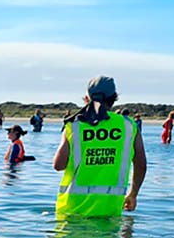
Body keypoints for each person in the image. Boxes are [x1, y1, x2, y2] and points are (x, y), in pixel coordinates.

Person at [52, 75, 146, 216]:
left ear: (87, 98)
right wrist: (133, 194)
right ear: (114, 98)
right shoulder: (129, 126)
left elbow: (58, 165)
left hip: (71, 210)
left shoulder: (74, 126)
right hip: (109, 211)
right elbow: (141, 164)